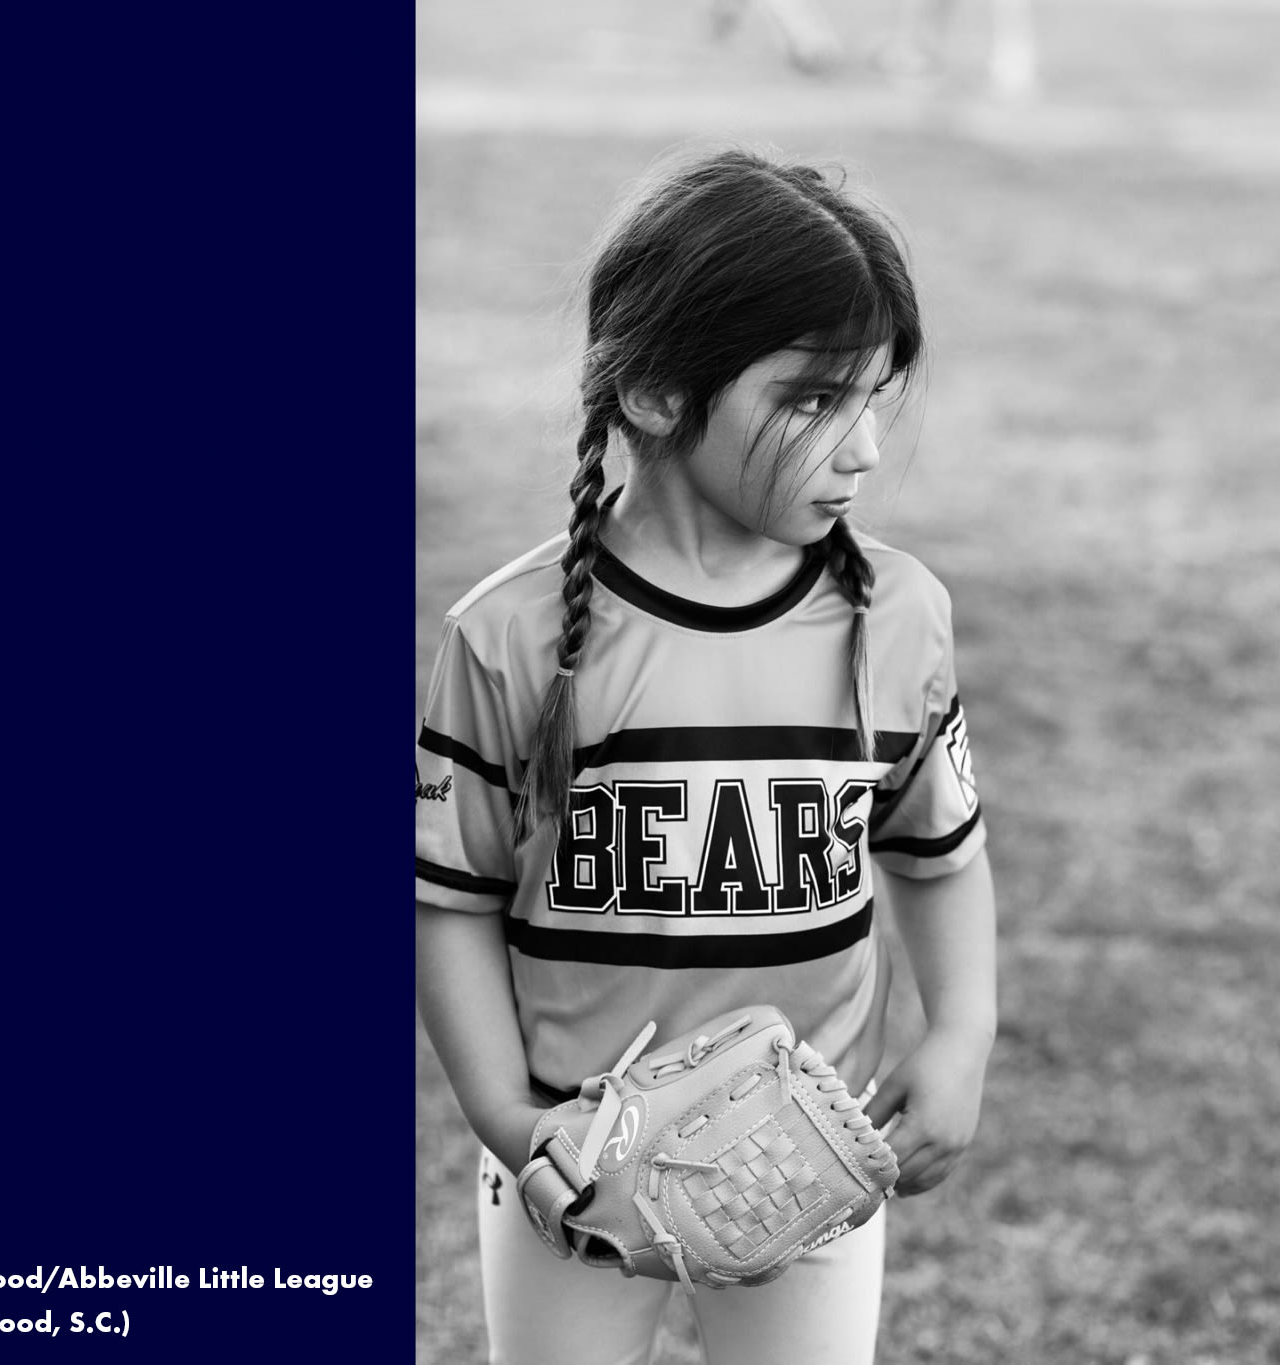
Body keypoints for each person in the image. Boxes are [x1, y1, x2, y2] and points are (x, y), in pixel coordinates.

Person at [415, 147, 998, 1365]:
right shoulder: (511, 635)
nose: (861, 449)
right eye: (809, 401)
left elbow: (936, 856)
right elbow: (449, 902)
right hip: (575, 1166)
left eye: (874, 400)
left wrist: (959, 1037)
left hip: (807, 1158)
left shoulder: (893, 616)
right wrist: (516, 1127)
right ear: (657, 396)